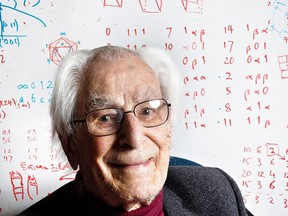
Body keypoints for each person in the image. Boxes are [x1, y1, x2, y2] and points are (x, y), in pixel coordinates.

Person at [18, 45, 253, 215]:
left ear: (168, 128)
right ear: (70, 143)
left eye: (148, 111)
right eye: (106, 117)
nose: (134, 137)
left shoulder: (217, 195)